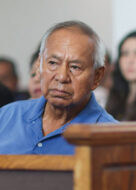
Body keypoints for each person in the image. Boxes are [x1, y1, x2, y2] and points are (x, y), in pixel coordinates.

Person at [0, 20, 116, 155]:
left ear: (97, 76)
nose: (61, 77)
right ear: (39, 64)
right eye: (53, 63)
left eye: (75, 67)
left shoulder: (111, 137)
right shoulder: (7, 116)